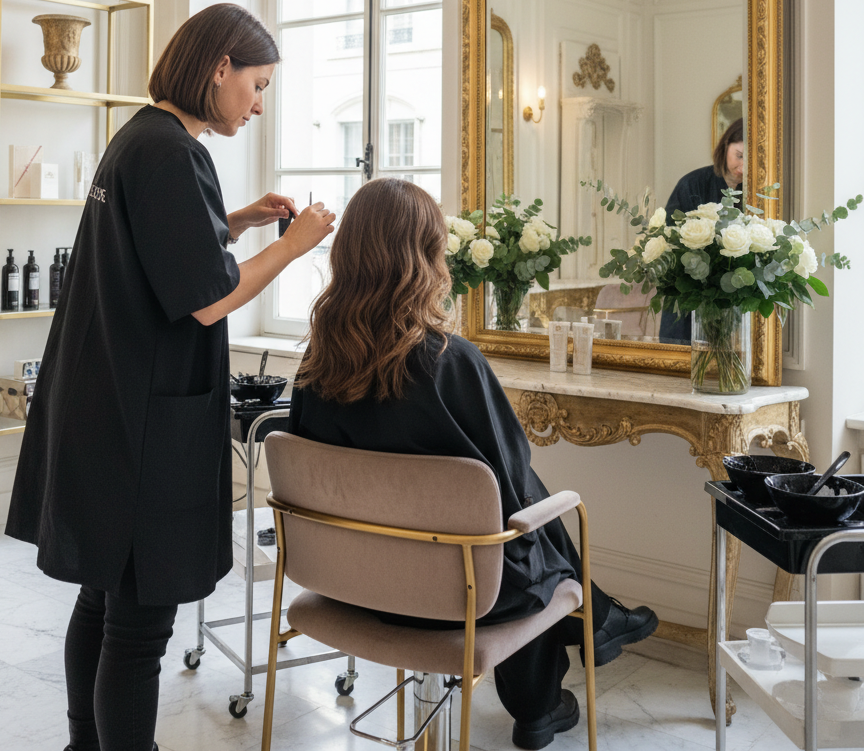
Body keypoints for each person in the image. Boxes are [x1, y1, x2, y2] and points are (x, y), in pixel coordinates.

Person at [5, 4, 336, 751]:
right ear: (219, 67)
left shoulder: (143, 138)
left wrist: (238, 220)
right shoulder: (170, 152)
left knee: (104, 598)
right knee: (140, 623)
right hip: (139, 424)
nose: (258, 103)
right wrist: (295, 246)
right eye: (257, 83)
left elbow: (162, 252)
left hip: (108, 405)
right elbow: (207, 298)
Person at [290, 178, 658, 751]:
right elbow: (512, 490)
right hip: (457, 597)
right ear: (425, 256)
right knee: (529, 523)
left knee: (511, 525)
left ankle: (587, 636)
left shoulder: (315, 366)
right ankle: (564, 667)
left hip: (352, 585)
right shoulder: (449, 362)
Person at [658, 117, 744, 343]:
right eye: (740, 156)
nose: (743, 168)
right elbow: (669, 239)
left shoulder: (758, 193)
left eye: (752, 160)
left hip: (734, 304)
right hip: (687, 299)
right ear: (726, 145)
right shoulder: (692, 184)